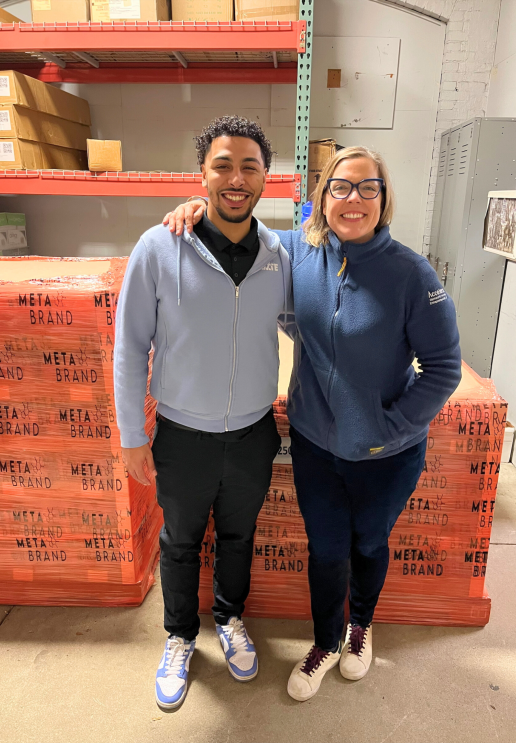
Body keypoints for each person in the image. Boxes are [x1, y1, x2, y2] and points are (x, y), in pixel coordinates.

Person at [162, 146, 462, 702]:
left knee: (368, 543)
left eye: (367, 188)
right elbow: (238, 228)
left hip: (387, 454)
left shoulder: (410, 275)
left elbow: (442, 369)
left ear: (383, 198)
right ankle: (326, 640)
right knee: (326, 550)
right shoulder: (296, 252)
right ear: (321, 200)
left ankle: (360, 626)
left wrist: (391, 426)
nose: (354, 200)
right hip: (317, 446)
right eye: (341, 188)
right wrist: (195, 211)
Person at [114, 116, 293, 711]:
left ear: (267, 178)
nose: (236, 178)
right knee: (181, 541)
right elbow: (130, 344)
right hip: (182, 433)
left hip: (251, 432)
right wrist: (132, 433)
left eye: (249, 166)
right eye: (223, 165)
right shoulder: (160, 245)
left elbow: (301, 325)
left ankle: (231, 620)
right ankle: (180, 636)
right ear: (202, 175)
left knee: (240, 536)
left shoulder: (278, 254)